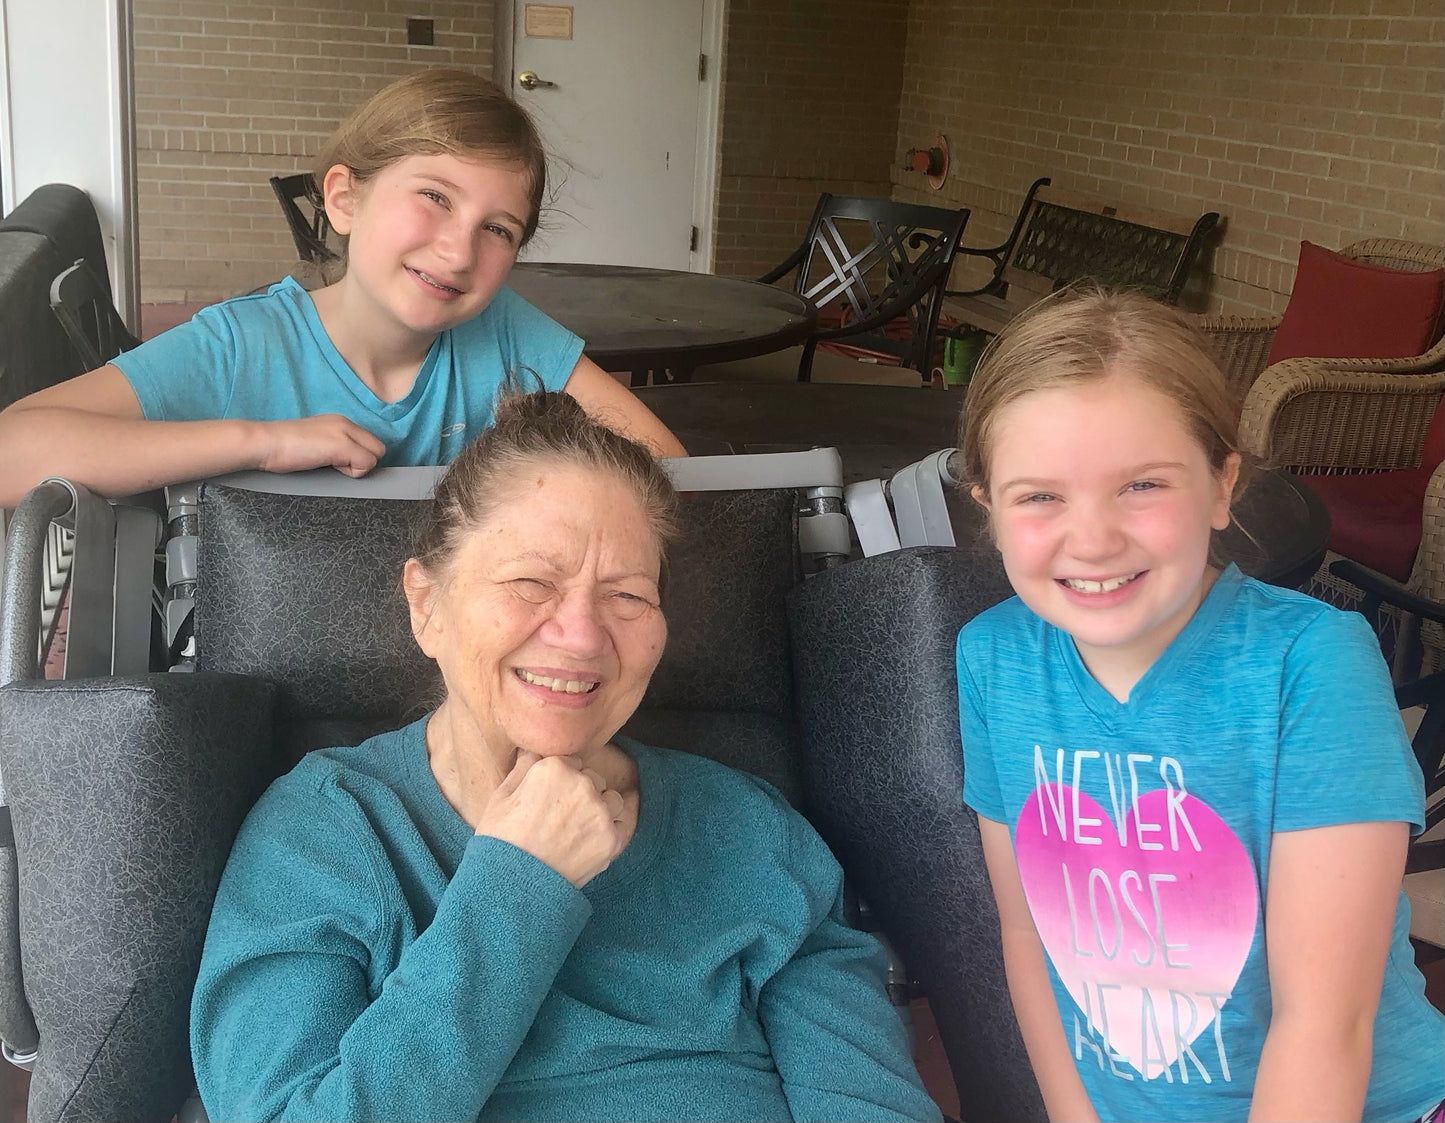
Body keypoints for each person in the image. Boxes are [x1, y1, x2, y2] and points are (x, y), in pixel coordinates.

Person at [189, 386, 941, 1123]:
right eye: (530, 582)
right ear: (427, 605)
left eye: (627, 595)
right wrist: (518, 885)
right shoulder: (325, 834)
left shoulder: (748, 828)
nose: (581, 637)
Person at [953, 287, 1444, 1123]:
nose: (1093, 538)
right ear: (989, 509)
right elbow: (1029, 935)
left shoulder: (1308, 662)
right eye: (1039, 495)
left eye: (1141, 484)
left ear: (1222, 486)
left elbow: (1323, 1022)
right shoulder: (992, 657)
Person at [0, 69, 683, 508]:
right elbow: (11, 448)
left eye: (497, 229)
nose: (458, 251)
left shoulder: (502, 327)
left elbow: (667, 465)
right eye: (434, 197)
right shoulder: (242, 347)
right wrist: (261, 443)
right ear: (345, 199)